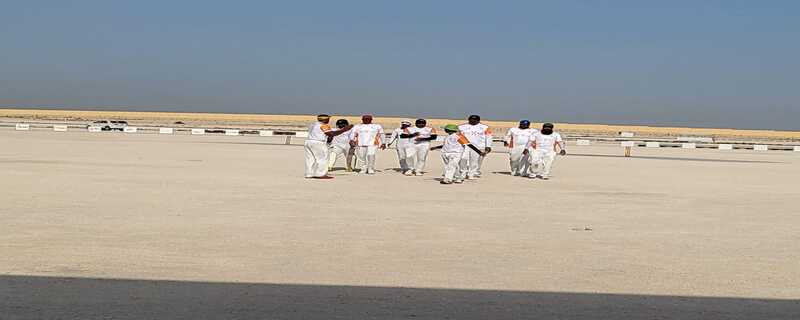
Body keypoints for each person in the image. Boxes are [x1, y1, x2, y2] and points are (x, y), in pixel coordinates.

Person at [305, 114, 353, 179]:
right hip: (318, 142)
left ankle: (309, 174)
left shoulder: (313, 124)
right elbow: (331, 134)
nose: (329, 120)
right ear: (326, 119)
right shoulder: (323, 125)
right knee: (322, 158)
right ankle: (321, 174)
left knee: (310, 159)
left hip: (309, 142)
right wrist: (344, 129)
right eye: (328, 119)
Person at [458, 115, 493, 179]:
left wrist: (488, 146)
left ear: (478, 120)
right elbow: (457, 136)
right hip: (464, 146)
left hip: (478, 146)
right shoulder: (461, 127)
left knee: (474, 161)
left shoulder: (485, 127)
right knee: (463, 159)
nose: (473, 121)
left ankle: (471, 174)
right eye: (471, 119)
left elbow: (488, 137)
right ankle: (463, 172)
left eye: (475, 120)